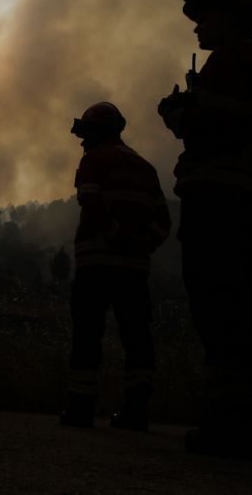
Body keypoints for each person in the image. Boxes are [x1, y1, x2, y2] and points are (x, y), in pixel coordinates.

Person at [158, 0, 252, 458]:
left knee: (220, 307)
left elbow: (213, 128)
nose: (198, 26)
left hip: (219, 200)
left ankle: (231, 426)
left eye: (207, 15)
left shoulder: (232, 63)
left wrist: (179, 113)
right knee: (247, 305)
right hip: (243, 202)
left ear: (234, 17)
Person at [61, 102, 170, 431]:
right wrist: (139, 244)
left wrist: (114, 235)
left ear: (97, 133)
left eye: (86, 135)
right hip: (134, 269)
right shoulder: (146, 168)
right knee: (136, 335)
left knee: (87, 334)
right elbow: (163, 222)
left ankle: (81, 410)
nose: (82, 142)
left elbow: (90, 202)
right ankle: (136, 412)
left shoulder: (93, 161)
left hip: (96, 264)